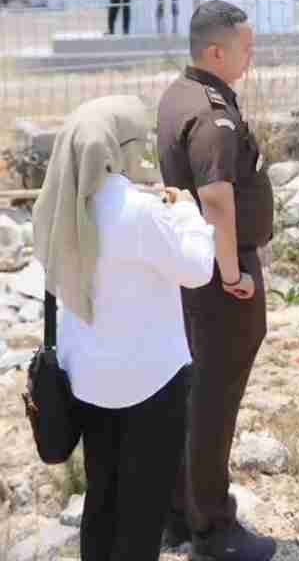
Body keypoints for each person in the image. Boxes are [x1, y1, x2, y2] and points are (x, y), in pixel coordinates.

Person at [32, 95, 215, 560]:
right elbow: (197, 269)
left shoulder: (62, 205)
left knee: (102, 499)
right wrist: (188, 213)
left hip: (88, 382)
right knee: (142, 510)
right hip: (150, 384)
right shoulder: (138, 210)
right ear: (120, 146)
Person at [157, 1, 277, 560]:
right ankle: (213, 528)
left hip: (194, 268)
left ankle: (180, 513)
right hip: (219, 273)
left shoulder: (178, 94)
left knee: (196, 394)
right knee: (215, 400)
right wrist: (233, 275)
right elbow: (217, 202)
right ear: (215, 51)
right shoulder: (210, 113)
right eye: (245, 48)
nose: (252, 56)